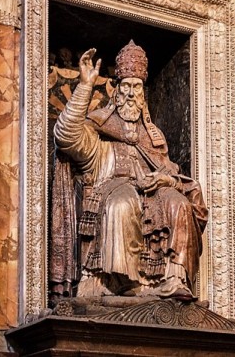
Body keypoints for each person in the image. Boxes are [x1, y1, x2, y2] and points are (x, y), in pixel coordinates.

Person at [52, 41, 208, 301]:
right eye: (126, 86)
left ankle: (173, 278)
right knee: (123, 202)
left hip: (152, 191)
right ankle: (123, 282)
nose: (131, 93)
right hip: (112, 188)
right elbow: (65, 136)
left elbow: (171, 171)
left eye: (137, 87)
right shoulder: (99, 128)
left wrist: (165, 179)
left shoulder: (154, 137)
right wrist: (85, 86)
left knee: (179, 203)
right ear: (116, 90)